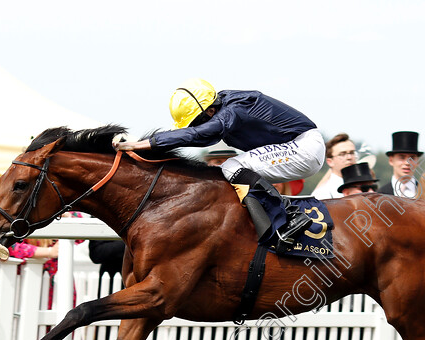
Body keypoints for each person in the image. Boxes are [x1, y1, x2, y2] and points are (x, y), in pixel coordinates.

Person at [113, 78, 325, 253]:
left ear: (210, 111)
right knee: (229, 173)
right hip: (296, 147)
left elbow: (199, 134)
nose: (195, 127)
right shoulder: (222, 109)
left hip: (304, 147)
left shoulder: (235, 109)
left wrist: (141, 144)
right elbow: (199, 138)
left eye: (196, 121)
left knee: (232, 167)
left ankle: (290, 217)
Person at [311, 133, 358, 199]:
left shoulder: (367, 188)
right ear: (330, 162)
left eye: (352, 153)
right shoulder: (322, 194)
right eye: (342, 154)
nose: (349, 157)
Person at [377, 131, 423, 197]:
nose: (407, 163)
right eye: (402, 157)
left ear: (417, 161)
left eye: (412, 158)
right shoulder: (380, 195)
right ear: (391, 160)